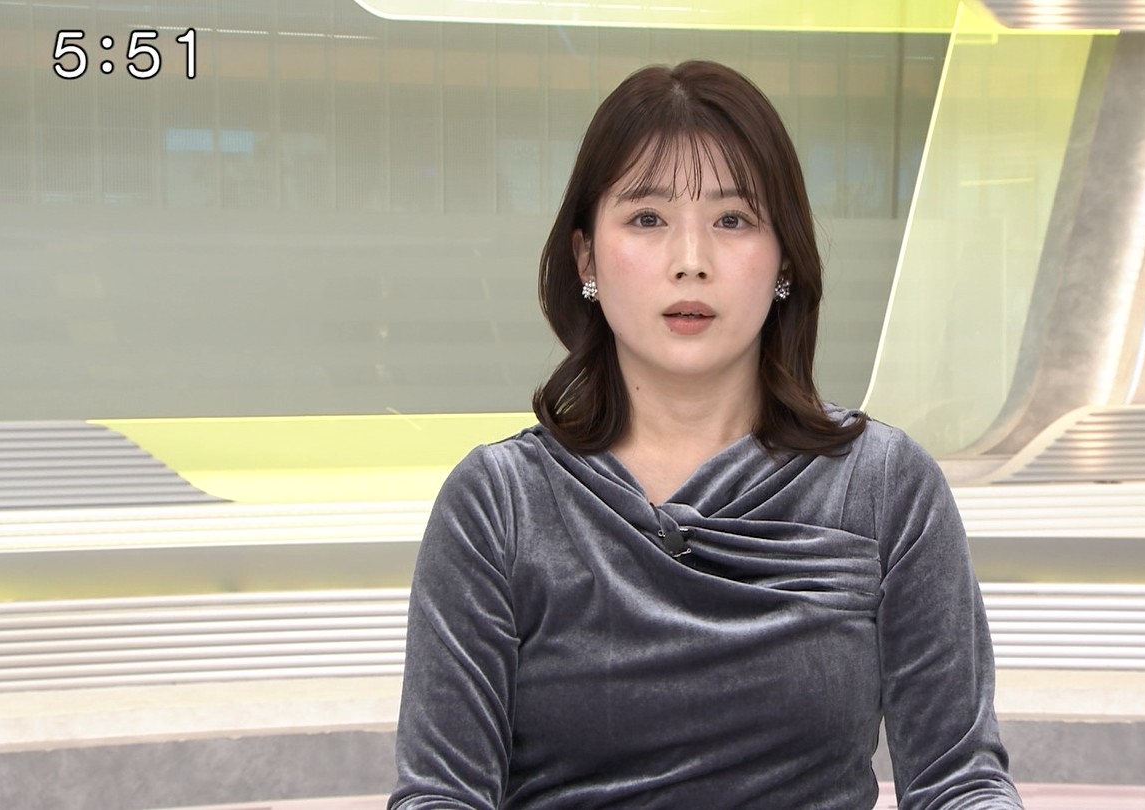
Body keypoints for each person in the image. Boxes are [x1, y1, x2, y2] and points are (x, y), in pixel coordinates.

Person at [389, 60, 1021, 809]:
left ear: (784, 258)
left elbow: (959, 781)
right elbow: (441, 795)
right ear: (587, 256)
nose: (691, 263)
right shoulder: (499, 503)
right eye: (647, 219)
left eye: (733, 220)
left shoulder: (885, 484)